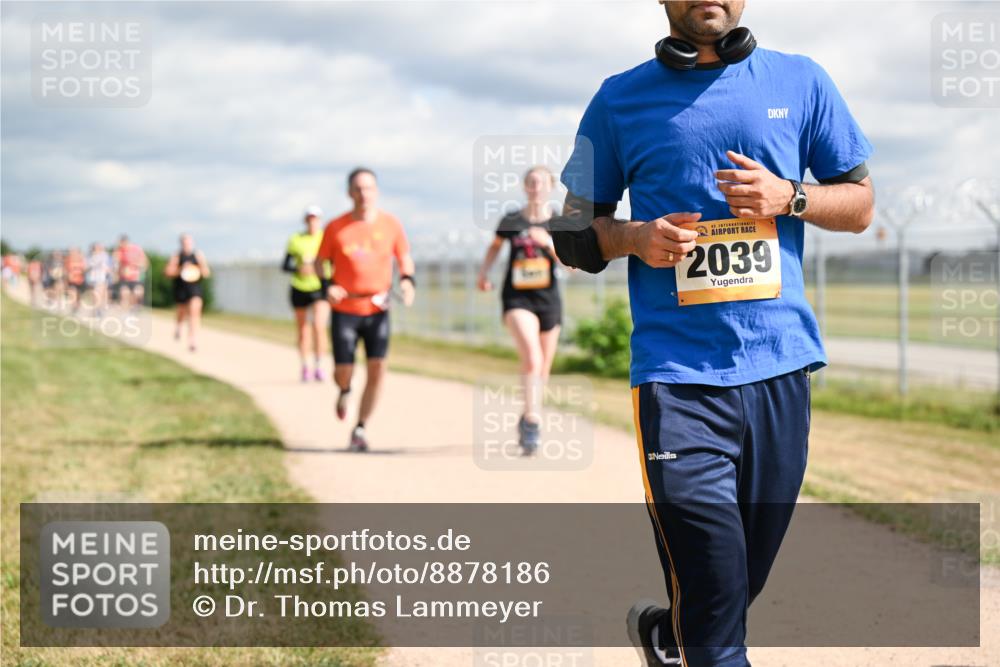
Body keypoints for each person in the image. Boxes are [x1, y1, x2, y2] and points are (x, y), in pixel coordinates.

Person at [553, 2, 875, 666]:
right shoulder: (618, 100)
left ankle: (672, 637)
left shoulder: (802, 81)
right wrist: (634, 237)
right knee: (713, 586)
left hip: (779, 369)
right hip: (676, 380)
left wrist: (792, 196)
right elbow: (569, 234)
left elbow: (862, 203)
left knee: (732, 584)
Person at [314, 167, 416, 452]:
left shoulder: (391, 224)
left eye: (369, 188)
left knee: (377, 368)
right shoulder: (336, 227)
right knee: (343, 370)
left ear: (377, 191)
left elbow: (404, 257)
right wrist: (327, 285)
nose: (364, 194)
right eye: (358, 189)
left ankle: (360, 428)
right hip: (345, 307)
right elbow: (320, 262)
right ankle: (344, 390)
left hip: (377, 307)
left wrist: (407, 281)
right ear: (349, 193)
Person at [477, 166, 564, 455]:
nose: (535, 187)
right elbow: (495, 246)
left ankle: (528, 413)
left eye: (540, 182)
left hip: (548, 300)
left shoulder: (560, 222)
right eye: (530, 182)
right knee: (532, 359)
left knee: (544, 368)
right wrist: (484, 272)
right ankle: (533, 422)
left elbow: (572, 266)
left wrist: (548, 244)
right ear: (525, 187)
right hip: (517, 299)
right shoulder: (512, 219)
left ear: (550, 187)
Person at [283, 205, 332, 382]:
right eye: (310, 218)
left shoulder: (325, 238)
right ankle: (305, 366)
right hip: (299, 287)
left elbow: (334, 262)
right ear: (305, 220)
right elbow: (285, 265)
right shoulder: (296, 239)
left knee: (319, 326)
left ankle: (319, 365)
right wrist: (299, 268)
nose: (313, 222)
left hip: (320, 287)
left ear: (319, 220)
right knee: (303, 330)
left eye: (316, 218)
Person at [164, 234, 210, 352]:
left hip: (194, 288)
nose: (187, 245)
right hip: (181, 288)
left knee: (195, 313)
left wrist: (197, 268)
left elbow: (206, 272)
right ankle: (178, 326)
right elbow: (168, 272)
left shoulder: (198, 255)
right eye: (185, 243)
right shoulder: (176, 256)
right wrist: (180, 269)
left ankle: (192, 340)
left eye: (189, 242)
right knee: (182, 312)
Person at [115, 234, 148, 310]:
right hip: (124, 278)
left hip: (136, 278)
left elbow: (145, 263)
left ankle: (133, 311)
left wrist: (133, 265)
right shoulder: (120, 251)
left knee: (136, 295)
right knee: (124, 295)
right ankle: (125, 314)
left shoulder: (137, 249)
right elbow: (117, 264)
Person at [85, 242, 112, 317]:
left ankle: (99, 310)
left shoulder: (104, 256)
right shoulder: (89, 257)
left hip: (101, 278)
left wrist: (109, 272)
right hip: (91, 278)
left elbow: (108, 266)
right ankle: (95, 310)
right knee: (94, 295)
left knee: (99, 294)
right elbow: (86, 267)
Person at [63, 247, 87, 312]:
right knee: (73, 292)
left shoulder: (81, 259)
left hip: (80, 280)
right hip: (72, 280)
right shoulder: (68, 259)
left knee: (79, 295)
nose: (72, 253)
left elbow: (85, 269)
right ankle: (74, 306)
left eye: (74, 251)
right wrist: (67, 277)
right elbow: (65, 269)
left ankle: (77, 305)